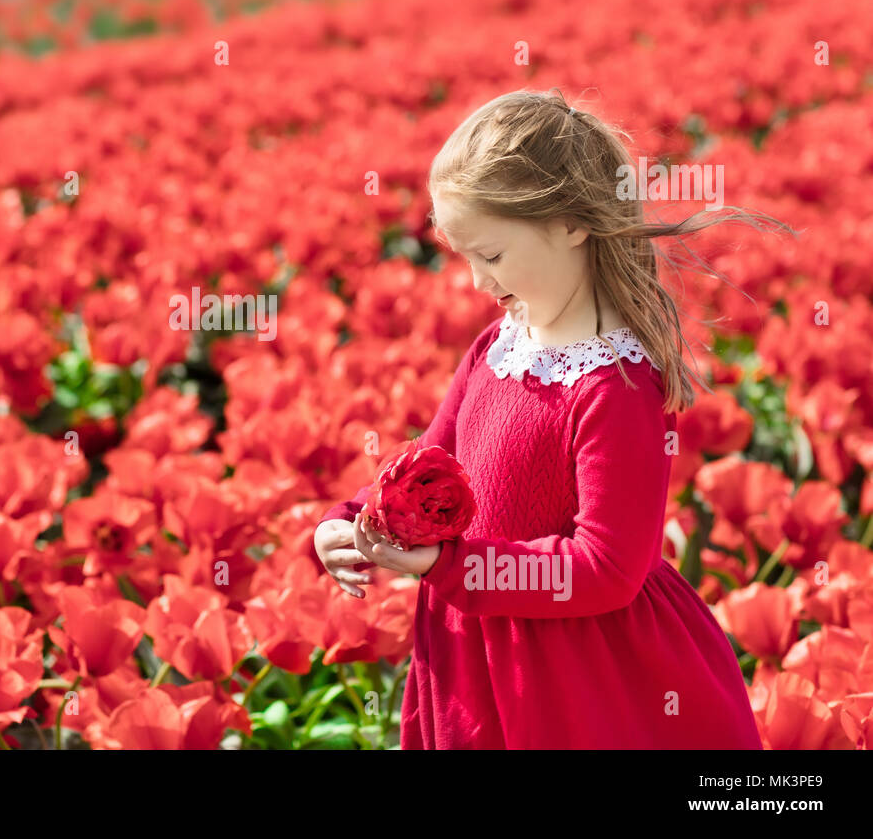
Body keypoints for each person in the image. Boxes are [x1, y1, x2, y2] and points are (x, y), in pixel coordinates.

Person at [314, 88, 795, 748]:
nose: (479, 281)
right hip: (473, 660)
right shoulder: (496, 349)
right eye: (465, 257)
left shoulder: (617, 386)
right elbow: (425, 467)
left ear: (572, 223)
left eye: (492, 255)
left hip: (580, 676)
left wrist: (451, 570)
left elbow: (607, 567)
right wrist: (356, 520)